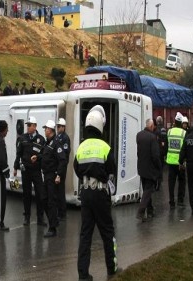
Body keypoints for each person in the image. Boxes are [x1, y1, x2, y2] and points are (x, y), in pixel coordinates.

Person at [74, 105, 121, 280]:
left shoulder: (81, 147)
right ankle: (112, 268)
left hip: (85, 192)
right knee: (107, 232)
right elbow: (112, 171)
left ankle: (83, 274)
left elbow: (77, 169)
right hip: (101, 194)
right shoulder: (105, 147)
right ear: (101, 125)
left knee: (85, 234)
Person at [13, 116, 47, 226]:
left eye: (29, 125)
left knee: (40, 194)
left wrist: (38, 158)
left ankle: (40, 218)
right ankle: (27, 217)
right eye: (27, 125)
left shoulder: (41, 139)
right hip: (26, 170)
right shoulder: (22, 138)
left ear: (35, 126)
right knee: (26, 194)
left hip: (36, 171)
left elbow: (44, 154)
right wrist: (15, 167)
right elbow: (18, 153)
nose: (27, 127)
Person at [36, 120, 66, 238]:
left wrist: (58, 174)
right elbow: (44, 155)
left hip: (52, 176)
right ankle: (54, 221)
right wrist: (37, 157)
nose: (44, 130)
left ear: (51, 130)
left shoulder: (56, 144)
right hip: (46, 176)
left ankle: (52, 228)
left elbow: (62, 160)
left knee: (51, 202)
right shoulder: (48, 143)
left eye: (46, 129)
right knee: (43, 199)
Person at [136, 118, 162, 222]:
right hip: (150, 169)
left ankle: (150, 211)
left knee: (147, 189)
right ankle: (141, 211)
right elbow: (155, 156)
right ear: (151, 126)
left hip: (141, 167)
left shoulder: (139, 135)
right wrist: (159, 168)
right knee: (148, 190)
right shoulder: (152, 137)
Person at [166, 112, 187, 209]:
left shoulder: (169, 132)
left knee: (171, 182)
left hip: (170, 162)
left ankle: (171, 201)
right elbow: (185, 148)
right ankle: (180, 200)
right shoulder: (184, 133)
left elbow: (166, 146)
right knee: (181, 181)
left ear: (174, 121)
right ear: (181, 122)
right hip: (180, 163)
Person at [55, 118, 70, 221]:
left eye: (59, 126)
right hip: (56, 166)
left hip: (62, 167)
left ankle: (62, 212)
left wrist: (61, 169)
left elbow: (64, 154)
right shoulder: (57, 137)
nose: (58, 128)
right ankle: (58, 211)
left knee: (60, 190)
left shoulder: (65, 138)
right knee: (56, 191)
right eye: (57, 126)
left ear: (63, 127)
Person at [155, 116, 167, 189]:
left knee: (156, 167)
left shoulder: (155, 129)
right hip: (161, 152)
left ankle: (157, 182)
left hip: (156, 151)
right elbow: (164, 141)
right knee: (160, 167)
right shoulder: (163, 129)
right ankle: (159, 180)